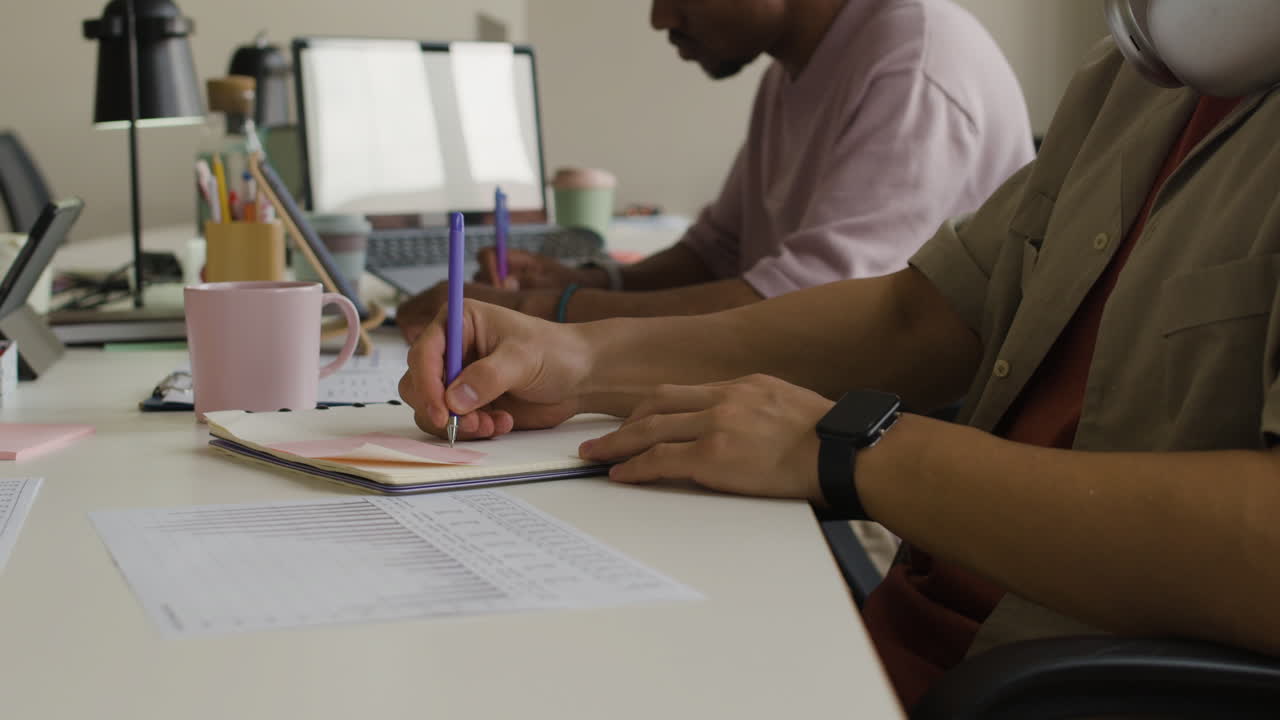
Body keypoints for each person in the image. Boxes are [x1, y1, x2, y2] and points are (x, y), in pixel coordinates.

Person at [399, 1, 1280, 708]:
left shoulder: (919, 57)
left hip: (1038, 681)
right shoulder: (1139, 78)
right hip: (897, 636)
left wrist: (852, 448)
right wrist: (579, 358)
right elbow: (920, 317)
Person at [396, 0, 1032, 339]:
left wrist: (543, 309)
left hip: (915, 426)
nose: (660, 18)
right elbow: (719, 250)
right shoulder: (793, 71)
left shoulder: (913, 62)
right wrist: (594, 282)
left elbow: (809, 306)